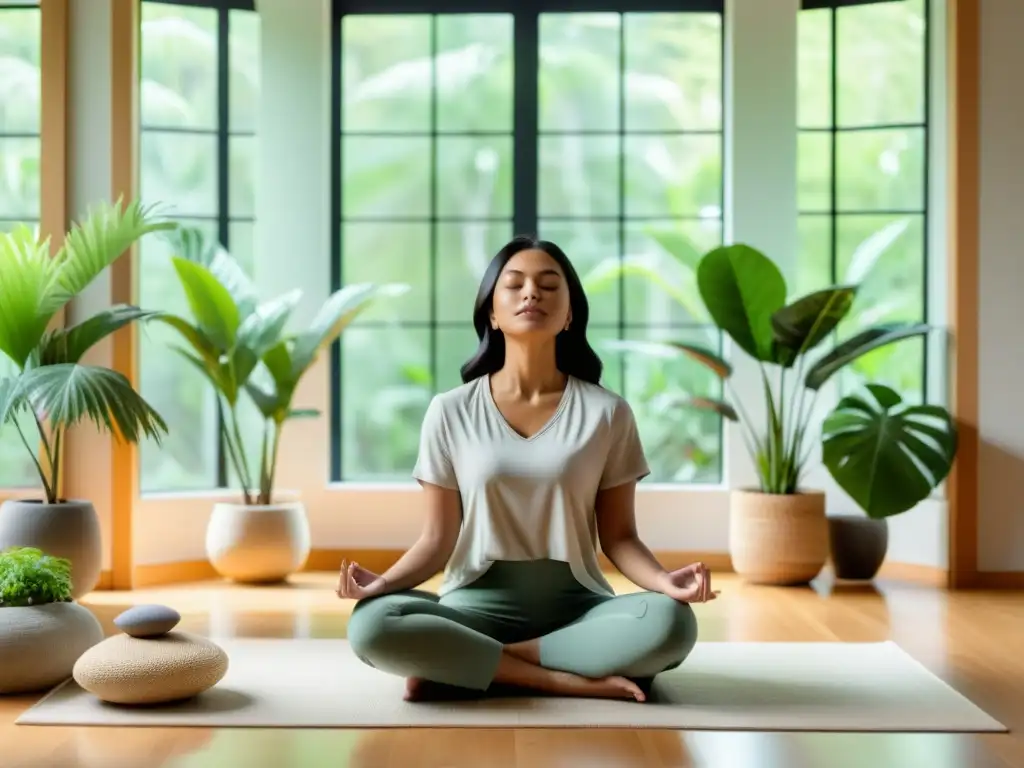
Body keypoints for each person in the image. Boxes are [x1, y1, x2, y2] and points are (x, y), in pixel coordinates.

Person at [337, 235, 717, 703]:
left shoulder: (608, 413)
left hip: (579, 610)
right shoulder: (450, 411)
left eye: (548, 285)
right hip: (471, 606)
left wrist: (665, 582)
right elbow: (437, 540)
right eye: (514, 284)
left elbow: (619, 536)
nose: (531, 293)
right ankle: (558, 679)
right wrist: (384, 583)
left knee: (672, 624)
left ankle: (469, 665)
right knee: (372, 625)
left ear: (570, 313)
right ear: (492, 314)